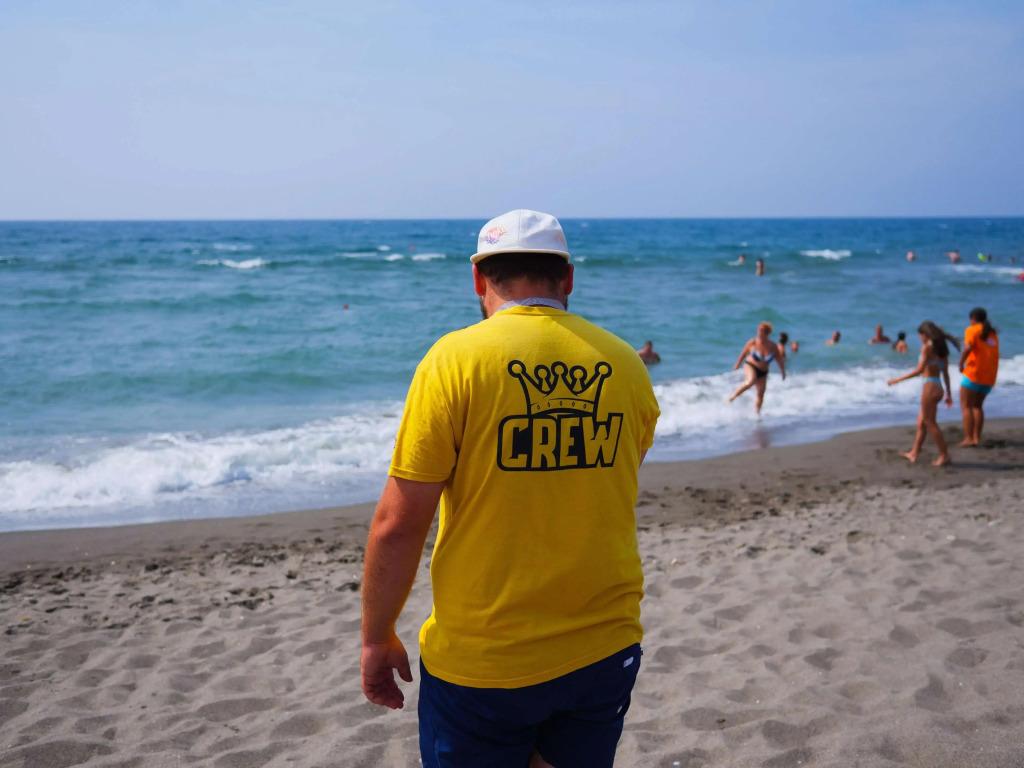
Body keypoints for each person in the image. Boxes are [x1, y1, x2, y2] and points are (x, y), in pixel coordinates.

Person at [360, 209, 660, 768]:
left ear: (478, 279)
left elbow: (399, 524)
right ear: (567, 278)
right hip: (604, 645)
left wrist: (376, 638)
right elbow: (607, 481)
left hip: (486, 660)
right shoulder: (625, 364)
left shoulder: (454, 361)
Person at [887, 321, 959, 466]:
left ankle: (944, 455)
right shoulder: (941, 349)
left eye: (920, 335)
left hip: (929, 387)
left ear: (925, 334)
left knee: (930, 423)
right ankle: (914, 452)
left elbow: (919, 370)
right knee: (921, 422)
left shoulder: (926, 347)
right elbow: (945, 374)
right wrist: (948, 394)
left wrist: (897, 380)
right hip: (938, 387)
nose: (920, 338)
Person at [958, 307, 999, 447]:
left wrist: (960, 362)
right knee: (977, 406)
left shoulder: (972, 330)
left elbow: (968, 347)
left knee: (966, 406)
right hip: (989, 376)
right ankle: (976, 438)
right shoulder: (992, 333)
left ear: (973, 319)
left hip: (974, 373)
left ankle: (968, 438)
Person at [728, 321, 786, 413]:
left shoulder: (772, 346)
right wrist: (737, 364)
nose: (759, 331)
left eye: (761, 330)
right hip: (750, 366)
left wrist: (783, 372)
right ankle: (732, 398)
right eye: (758, 329)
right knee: (750, 381)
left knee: (760, 395)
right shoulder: (753, 342)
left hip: (763, 372)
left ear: (766, 332)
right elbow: (743, 354)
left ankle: (756, 415)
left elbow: (779, 359)